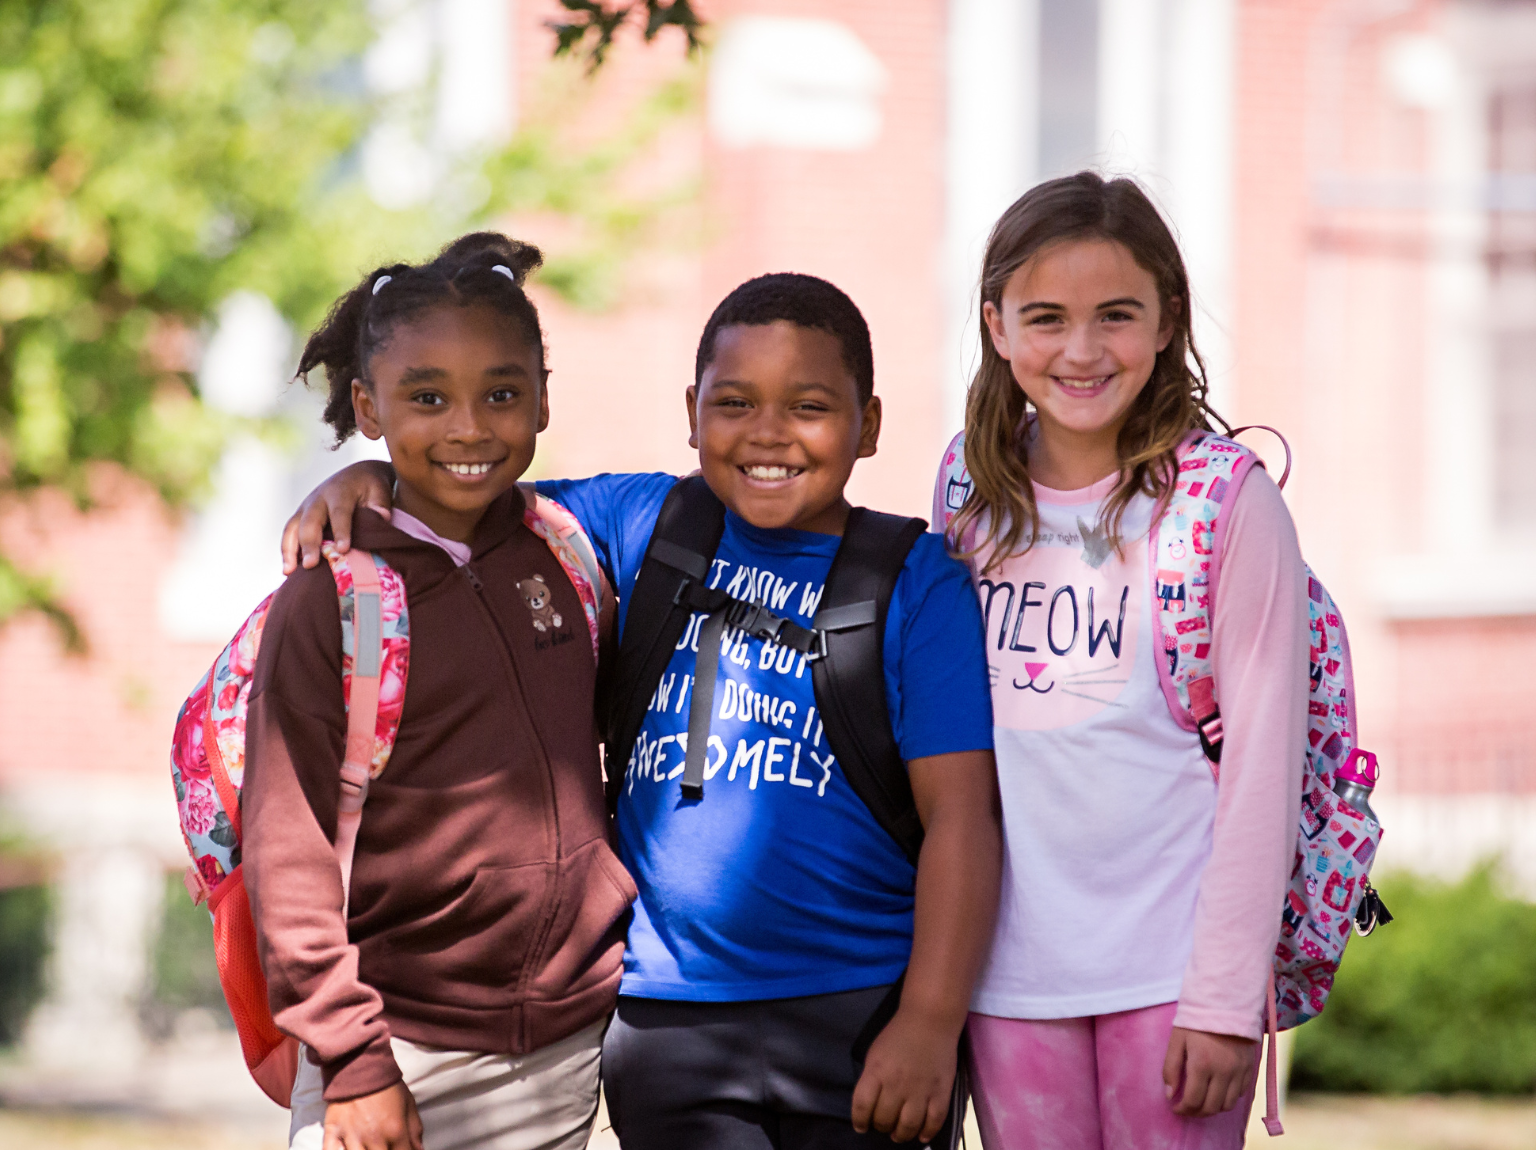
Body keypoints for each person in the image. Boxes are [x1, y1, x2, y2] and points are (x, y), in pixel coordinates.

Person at [281, 273, 1004, 1149]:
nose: (768, 433)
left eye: (808, 406)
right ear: (692, 411)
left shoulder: (914, 581)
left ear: (871, 423)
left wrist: (930, 1020)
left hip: (861, 1010)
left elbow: (963, 818)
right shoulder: (637, 524)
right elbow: (467, 484)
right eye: (735, 403)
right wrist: (370, 476)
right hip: (667, 1020)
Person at [934, 171, 1307, 1150]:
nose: (1083, 349)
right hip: (1008, 976)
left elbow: (1266, 762)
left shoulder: (1228, 502)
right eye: (1047, 317)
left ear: (1167, 320)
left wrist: (1226, 997)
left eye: (1117, 315)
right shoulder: (967, 490)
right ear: (998, 324)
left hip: (1172, 979)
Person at [244, 233, 634, 1150]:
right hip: (394, 1047)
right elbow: (286, 848)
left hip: (564, 1047)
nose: (469, 427)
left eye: (502, 393)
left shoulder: (571, 557)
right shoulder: (331, 600)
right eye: (428, 398)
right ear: (368, 407)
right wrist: (352, 1058)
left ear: (543, 393)